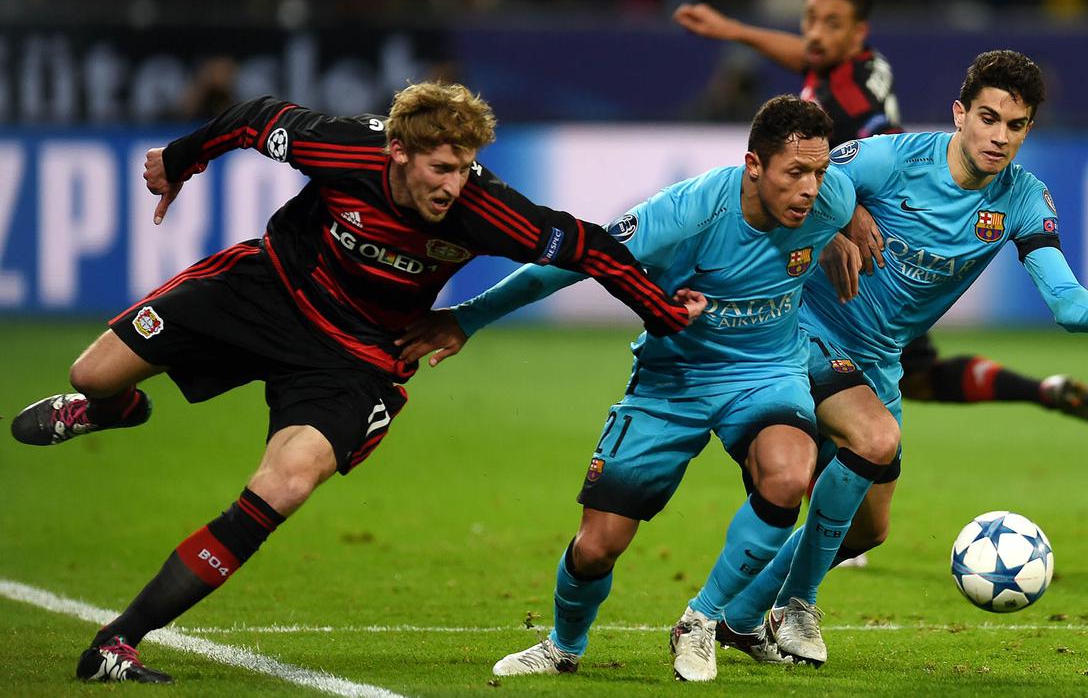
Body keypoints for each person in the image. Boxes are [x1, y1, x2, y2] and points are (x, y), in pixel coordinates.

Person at [8, 82, 705, 684]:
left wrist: (665, 313)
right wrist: (183, 161)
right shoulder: (341, 147)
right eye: (440, 167)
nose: (452, 185)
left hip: (355, 356)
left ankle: (117, 642)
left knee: (285, 482)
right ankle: (116, 408)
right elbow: (254, 118)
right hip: (268, 289)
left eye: (464, 168)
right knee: (89, 373)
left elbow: (587, 247)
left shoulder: (482, 208)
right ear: (397, 152)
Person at [395, 95, 883, 682]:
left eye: (820, 173)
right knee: (598, 546)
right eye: (795, 173)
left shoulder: (831, 199)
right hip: (670, 380)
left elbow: (854, 193)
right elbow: (576, 260)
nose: (811, 188)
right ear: (754, 165)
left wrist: (844, 224)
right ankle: (562, 645)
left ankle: (700, 621)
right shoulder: (689, 211)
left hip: (766, 371)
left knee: (788, 473)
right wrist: (468, 316)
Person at [716, 49, 1088, 666]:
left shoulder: (1024, 199)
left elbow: (1063, 300)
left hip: (879, 358)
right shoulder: (894, 158)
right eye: (988, 117)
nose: (999, 137)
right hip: (807, 329)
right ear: (960, 113)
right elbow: (806, 181)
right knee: (876, 439)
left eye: (1016, 125)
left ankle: (740, 615)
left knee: (870, 529)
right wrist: (846, 219)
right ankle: (788, 607)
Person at [675, 0, 1088, 439]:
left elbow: (883, 141)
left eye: (1013, 125)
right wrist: (732, 29)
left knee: (907, 391)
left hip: (882, 279)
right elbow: (814, 71)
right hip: (821, 313)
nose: (813, 34)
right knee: (838, 433)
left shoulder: (858, 100)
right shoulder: (851, 68)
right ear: (962, 114)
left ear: (858, 32)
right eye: (808, 19)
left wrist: (859, 204)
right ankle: (1042, 391)